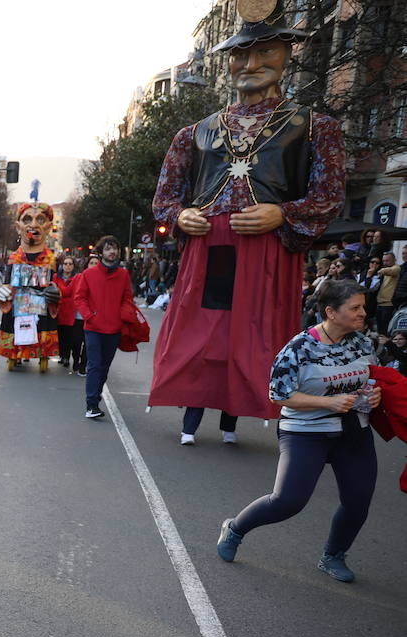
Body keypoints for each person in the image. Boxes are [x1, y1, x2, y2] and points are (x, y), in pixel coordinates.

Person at [150, 2, 345, 443]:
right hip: (209, 248)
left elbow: (329, 196)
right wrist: (181, 216)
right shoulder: (194, 132)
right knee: (202, 335)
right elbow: (165, 198)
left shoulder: (315, 127)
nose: (250, 64)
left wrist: (284, 212)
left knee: (252, 336)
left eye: (266, 53)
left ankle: (235, 416)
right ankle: (193, 416)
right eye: (241, 55)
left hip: (266, 249)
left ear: (287, 56)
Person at [216, 280, 381, 583]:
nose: (363, 313)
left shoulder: (362, 342)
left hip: (353, 430)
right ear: (330, 312)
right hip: (305, 430)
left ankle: (333, 555)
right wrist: (327, 402)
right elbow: (278, 394)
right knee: (288, 501)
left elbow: (373, 378)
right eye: (355, 308)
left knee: (358, 500)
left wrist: (375, 395)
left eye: (363, 307)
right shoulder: (299, 348)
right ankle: (236, 528)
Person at [72, 236, 140, 421]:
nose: (113, 252)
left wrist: (123, 315)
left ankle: (95, 397)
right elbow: (79, 297)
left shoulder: (123, 274)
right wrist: (89, 316)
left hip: (114, 329)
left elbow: (127, 298)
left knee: (104, 367)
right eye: (109, 248)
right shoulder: (89, 274)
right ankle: (92, 404)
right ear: (101, 252)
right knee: (94, 365)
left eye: (115, 248)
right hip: (93, 328)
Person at [0, 203, 62, 372]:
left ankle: (42, 353)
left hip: (42, 304)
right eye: (27, 219)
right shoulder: (13, 258)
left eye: (40, 219)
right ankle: (14, 353)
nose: (33, 225)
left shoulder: (51, 258)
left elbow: (57, 281)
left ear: (48, 226)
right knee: (14, 322)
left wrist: (55, 291)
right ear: (19, 227)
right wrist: (3, 292)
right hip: (18, 303)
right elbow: (7, 281)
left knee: (43, 324)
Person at [54, 254, 85, 373]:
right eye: (65, 264)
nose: (67, 266)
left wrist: (61, 290)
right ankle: (62, 355)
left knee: (70, 336)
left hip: (72, 309)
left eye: (70, 264)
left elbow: (67, 291)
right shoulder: (56, 276)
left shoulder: (77, 277)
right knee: (60, 334)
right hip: (59, 309)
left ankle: (67, 357)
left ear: (74, 266)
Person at [374, 251, 399, 337]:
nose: (385, 263)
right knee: (380, 331)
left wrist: (381, 271)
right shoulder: (385, 271)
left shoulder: (397, 268)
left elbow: (392, 270)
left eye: (387, 260)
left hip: (388, 305)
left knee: (385, 331)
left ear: (394, 260)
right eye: (383, 261)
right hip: (380, 304)